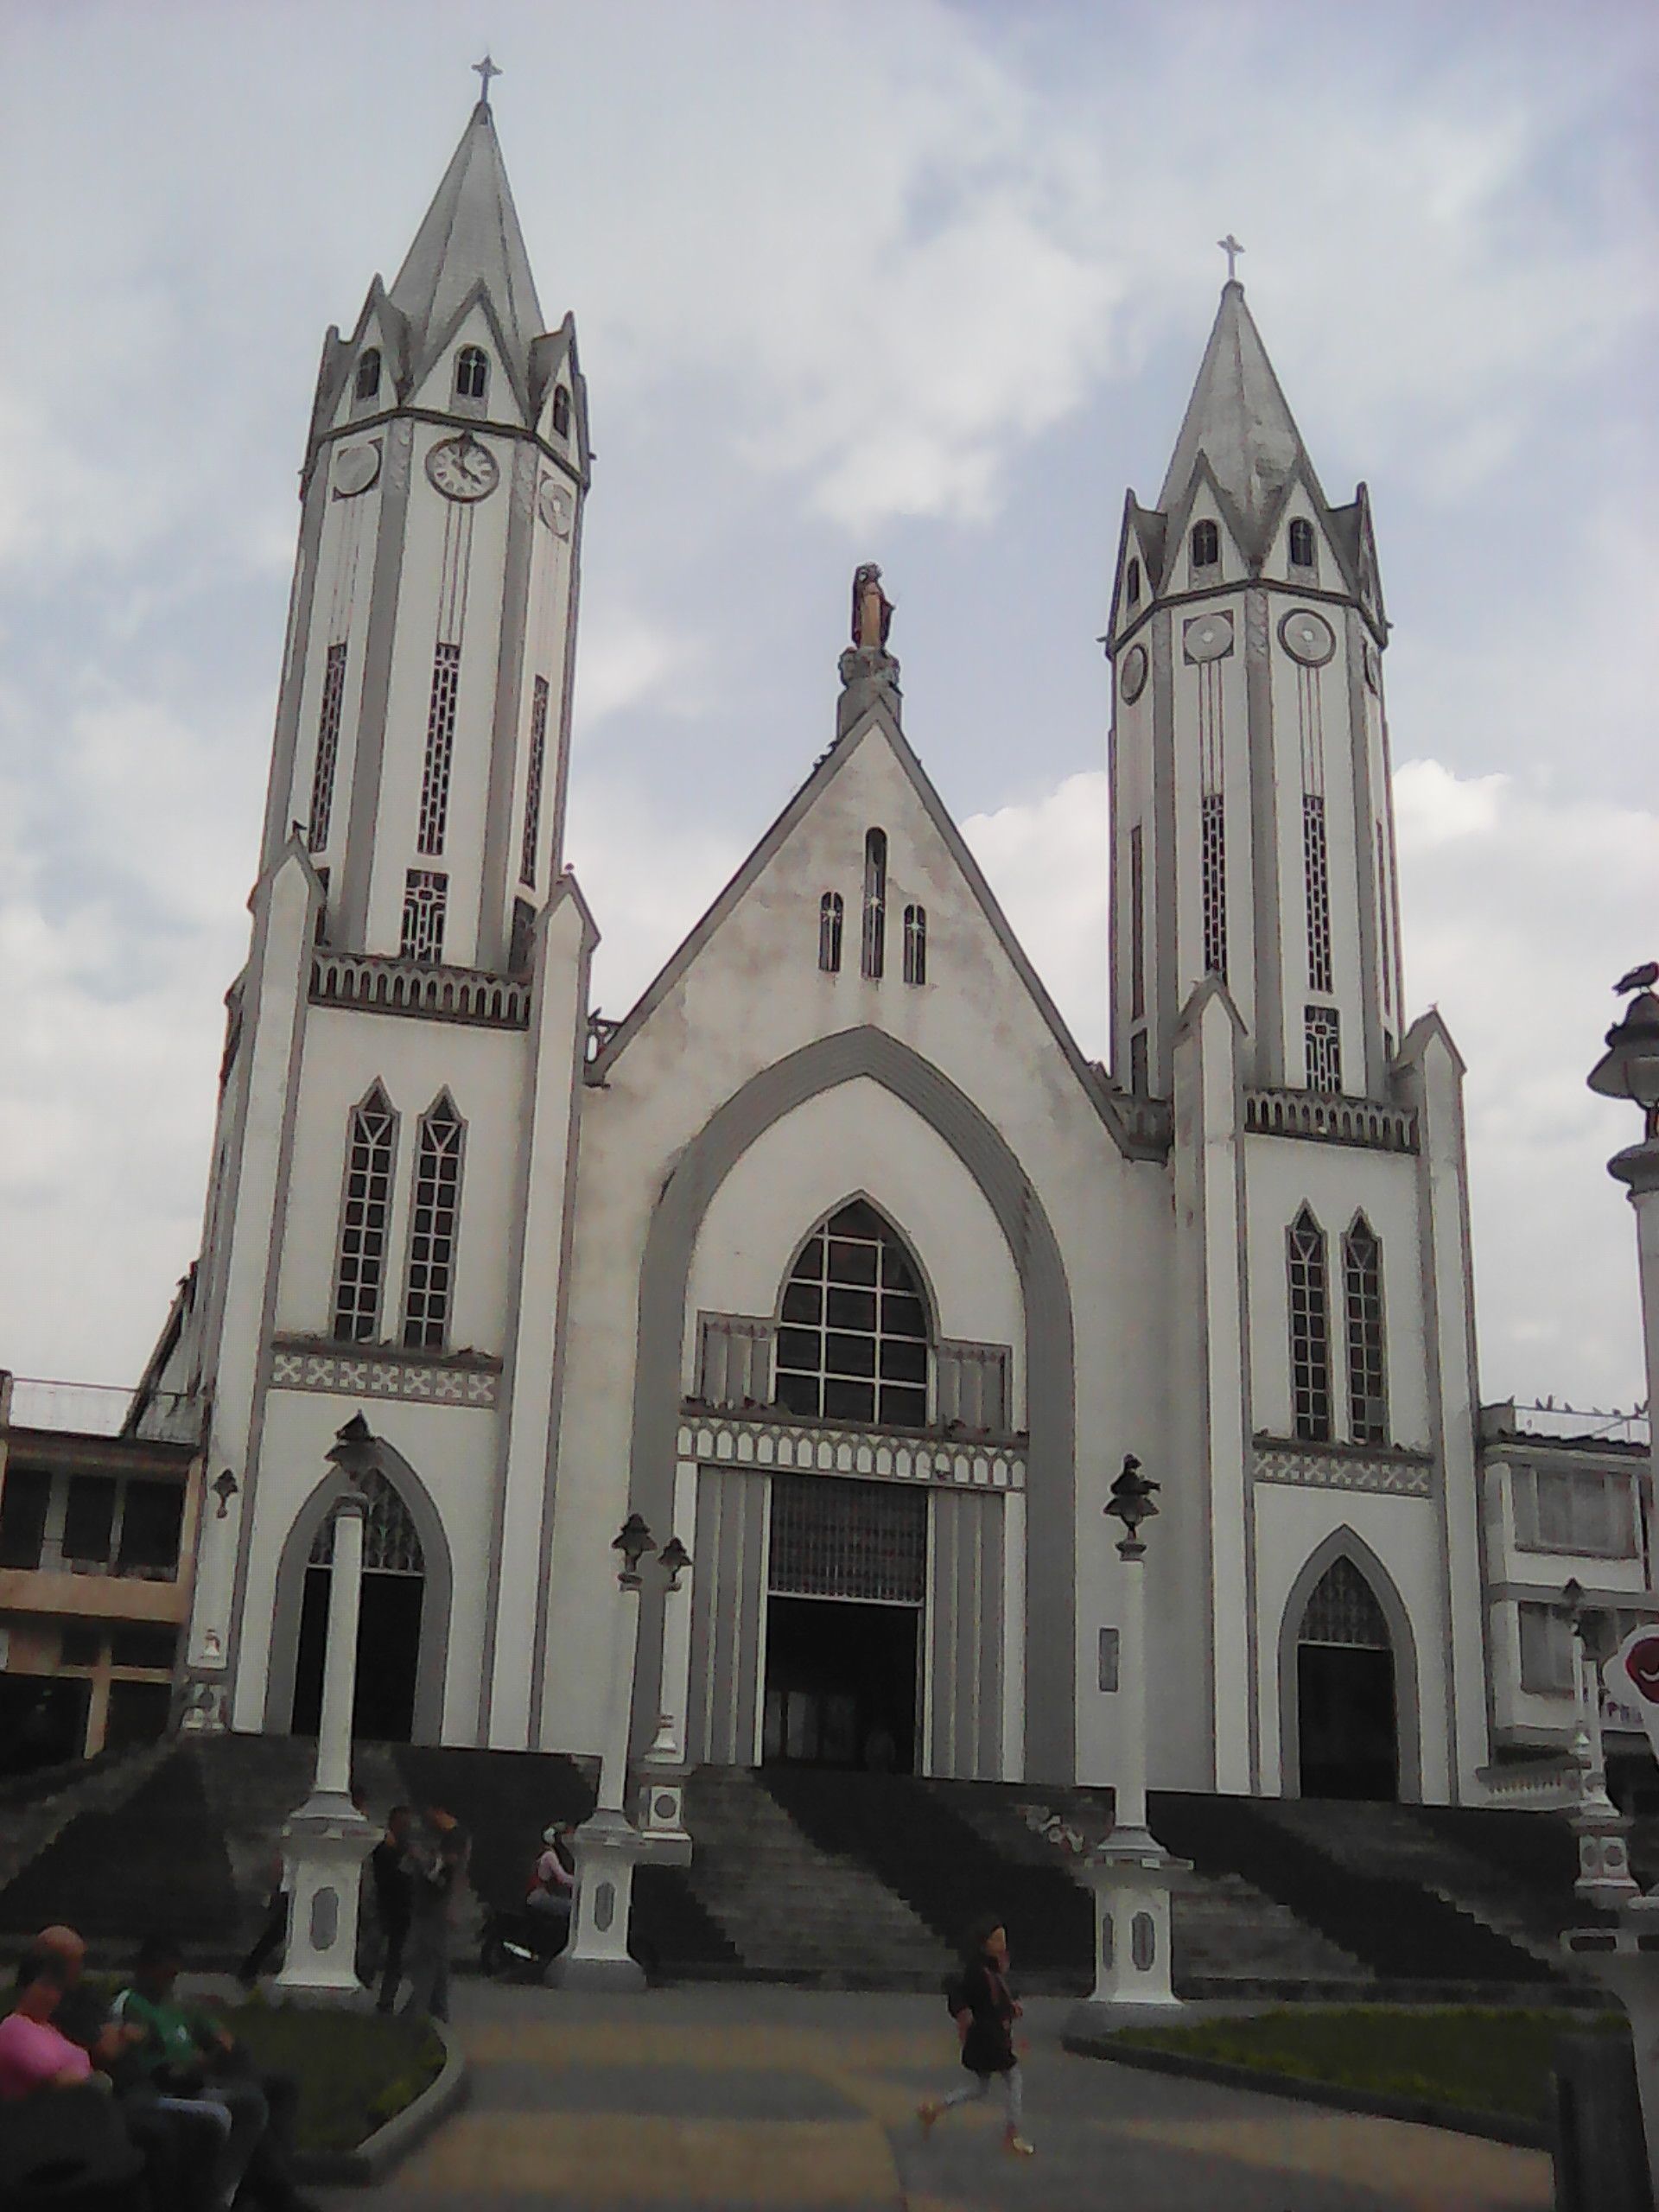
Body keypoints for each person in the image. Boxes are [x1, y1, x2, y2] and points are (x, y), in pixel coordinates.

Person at [113, 1933, 320, 2212]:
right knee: (249, 2101)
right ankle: (251, 2192)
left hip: (207, 2073)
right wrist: (196, 2061)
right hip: (173, 2086)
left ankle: (272, 2179)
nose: (170, 1982)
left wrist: (219, 2046)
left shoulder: (173, 2004)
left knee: (281, 2085)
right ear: (146, 1970)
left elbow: (219, 2036)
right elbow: (153, 2060)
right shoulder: (134, 2004)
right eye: (165, 1975)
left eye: (174, 1975)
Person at [29, 1923, 226, 2212]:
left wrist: (117, 2038)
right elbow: (107, 2049)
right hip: (112, 2097)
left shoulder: (83, 1999)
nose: (79, 1969)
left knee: (209, 2121)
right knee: (179, 2127)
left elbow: (113, 2040)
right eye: (74, 1962)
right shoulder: (55, 2008)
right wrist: (119, 2037)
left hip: (130, 2088)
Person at [917, 1918, 1034, 2158]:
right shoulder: (978, 1972)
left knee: (980, 2087)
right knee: (1014, 2080)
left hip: (985, 2037)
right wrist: (1003, 2011)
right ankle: (1011, 2136)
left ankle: (934, 2109)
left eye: (1004, 1939)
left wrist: (1010, 2007)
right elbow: (975, 2000)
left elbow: (993, 2001)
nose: (1003, 1944)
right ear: (984, 1943)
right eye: (997, 1939)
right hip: (989, 2038)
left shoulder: (989, 1969)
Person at [401, 1807, 469, 2023]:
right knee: (436, 1960)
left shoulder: (453, 1839)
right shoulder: (453, 1836)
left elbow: (442, 1875)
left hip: (433, 1908)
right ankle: (436, 2009)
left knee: (428, 1958)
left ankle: (419, 2010)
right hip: (433, 1906)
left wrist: (422, 1860)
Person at [370, 1805, 415, 2013]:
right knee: (372, 1947)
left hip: (403, 1909)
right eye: (402, 1824)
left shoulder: (407, 1847)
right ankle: (364, 1984)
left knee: (396, 1958)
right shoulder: (384, 1847)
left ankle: (386, 2001)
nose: (405, 1828)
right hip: (385, 1905)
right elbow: (386, 1875)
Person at [525, 1822, 575, 1930]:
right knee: (572, 1907)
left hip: (536, 1895)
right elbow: (563, 1878)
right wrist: (582, 1880)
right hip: (539, 1896)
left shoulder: (545, 1852)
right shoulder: (550, 1856)